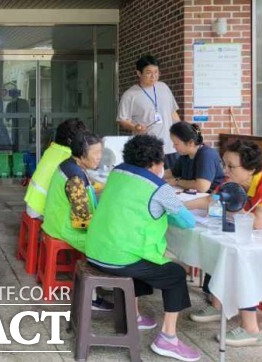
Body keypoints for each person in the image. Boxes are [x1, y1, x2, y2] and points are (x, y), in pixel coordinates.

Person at [85, 135, 200, 362]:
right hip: (121, 259)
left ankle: (134, 315)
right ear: (154, 163)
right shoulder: (159, 188)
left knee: (141, 260)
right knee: (175, 273)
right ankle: (168, 338)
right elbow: (187, 222)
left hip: (95, 251)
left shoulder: (117, 172)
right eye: (162, 162)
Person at [189, 139, 262, 347]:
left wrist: (230, 207)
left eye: (231, 166)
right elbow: (210, 201)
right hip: (251, 242)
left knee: (239, 257)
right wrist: (179, 206)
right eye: (224, 164)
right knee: (221, 247)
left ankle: (251, 329)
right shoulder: (233, 182)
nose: (225, 170)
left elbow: (259, 223)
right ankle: (217, 302)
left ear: (250, 168)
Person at [42, 131, 112, 311]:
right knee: (107, 243)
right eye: (95, 153)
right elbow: (82, 220)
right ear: (81, 153)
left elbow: (85, 196)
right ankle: (92, 296)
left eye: (100, 152)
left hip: (56, 221)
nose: (99, 157)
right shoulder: (75, 178)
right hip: (65, 227)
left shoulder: (70, 165)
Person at [117, 54, 181, 169]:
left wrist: (181, 131)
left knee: (173, 181)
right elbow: (122, 120)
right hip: (148, 150)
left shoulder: (164, 87)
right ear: (139, 73)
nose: (153, 76)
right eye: (149, 72)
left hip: (170, 147)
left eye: (156, 72)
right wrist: (135, 127)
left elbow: (173, 113)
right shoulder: (130, 95)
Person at [24, 119, 88, 218]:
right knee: (83, 211)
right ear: (72, 141)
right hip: (43, 210)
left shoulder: (52, 149)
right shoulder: (68, 156)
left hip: (33, 205)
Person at [164, 121, 225, 192]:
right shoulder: (185, 155)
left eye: (176, 144)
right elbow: (173, 173)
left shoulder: (206, 155)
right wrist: (154, 173)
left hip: (211, 198)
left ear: (190, 142)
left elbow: (202, 186)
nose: (173, 146)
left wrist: (177, 181)